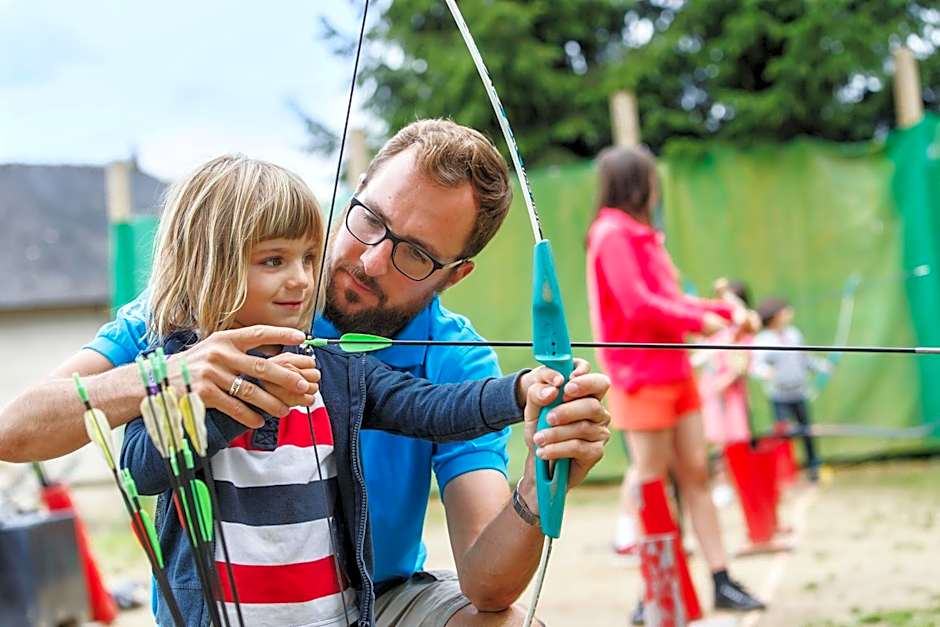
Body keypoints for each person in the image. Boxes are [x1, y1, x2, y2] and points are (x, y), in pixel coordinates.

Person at [0, 119, 611, 626]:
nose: (368, 261)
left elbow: (484, 582)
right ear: (354, 188)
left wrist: (536, 453)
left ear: (454, 274)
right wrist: (175, 377)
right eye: (369, 218)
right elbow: (19, 431)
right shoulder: (192, 312)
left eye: (416, 253)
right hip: (219, 609)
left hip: (366, 599)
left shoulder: (422, 358)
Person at [120, 154, 579, 626]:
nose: (301, 278)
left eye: (308, 258)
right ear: (210, 266)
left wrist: (521, 391)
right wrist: (233, 400)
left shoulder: (333, 368)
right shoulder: (174, 368)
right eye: (274, 260)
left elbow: (427, 407)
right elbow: (141, 469)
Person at [585, 145, 764, 622]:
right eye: (650, 179)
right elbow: (638, 305)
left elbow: (671, 300)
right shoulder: (610, 233)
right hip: (640, 380)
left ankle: (721, 580)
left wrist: (727, 314)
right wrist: (701, 322)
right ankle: (655, 591)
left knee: (696, 477)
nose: (656, 188)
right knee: (653, 486)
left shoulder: (645, 235)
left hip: (676, 373)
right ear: (636, 183)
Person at [752, 297, 828, 482]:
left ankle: (814, 469)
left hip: (799, 392)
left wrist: (821, 366)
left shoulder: (794, 334)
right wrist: (765, 372)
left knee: (807, 432)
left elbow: (805, 358)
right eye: (784, 311)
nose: (788, 314)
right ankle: (786, 473)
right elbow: (755, 366)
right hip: (779, 396)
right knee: (783, 436)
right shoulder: (763, 340)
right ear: (774, 316)